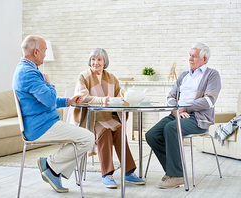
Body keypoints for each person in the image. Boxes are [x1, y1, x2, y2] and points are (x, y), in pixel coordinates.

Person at [12, 35, 95, 193]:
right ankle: (50, 166)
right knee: (88, 138)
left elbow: (43, 101)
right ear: (36, 52)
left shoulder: (25, 70)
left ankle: (52, 169)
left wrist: (68, 101)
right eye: (44, 51)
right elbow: (49, 100)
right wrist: (48, 82)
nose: (45, 54)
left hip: (44, 123)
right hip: (40, 127)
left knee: (80, 138)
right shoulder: (28, 73)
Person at [67, 48, 145, 188]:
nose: (95, 63)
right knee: (105, 132)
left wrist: (128, 95)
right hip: (91, 118)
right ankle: (107, 174)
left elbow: (120, 92)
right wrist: (102, 100)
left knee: (120, 130)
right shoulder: (83, 76)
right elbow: (83, 97)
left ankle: (128, 172)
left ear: (105, 62)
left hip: (108, 116)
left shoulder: (111, 77)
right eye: (93, 59)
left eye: (99, 60)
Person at [145, 42, 221, 189]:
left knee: (171, 128)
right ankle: (172, 170)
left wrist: (185, 108)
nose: (190, 59)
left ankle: (177, 176)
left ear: (204, 59)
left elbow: (209, 100)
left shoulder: (212, 75)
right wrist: (176, 109)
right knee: (152, 135)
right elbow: (170, 96)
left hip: (198, 118)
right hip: (177, 114)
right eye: (190, 55)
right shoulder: (184, 75)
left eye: (194, 56)